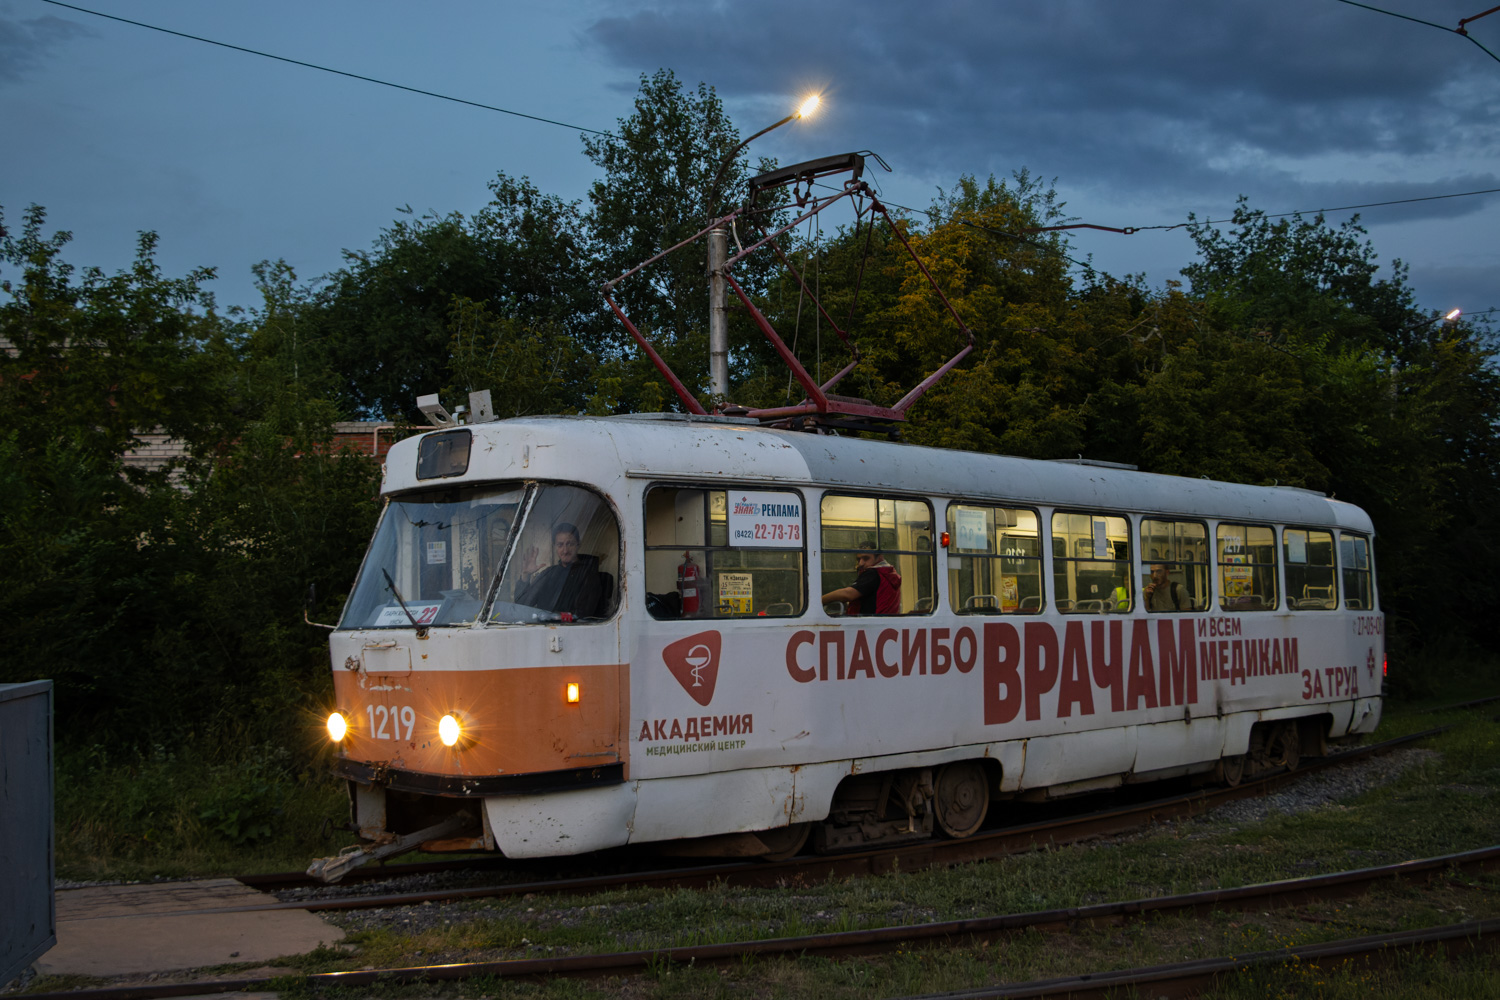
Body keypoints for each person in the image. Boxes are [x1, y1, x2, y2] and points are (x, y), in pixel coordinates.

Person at [516, 522, 604, 617]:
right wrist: (525, 576)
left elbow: (581, 616)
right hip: (543, 629)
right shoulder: (549, 573)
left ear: (578, 545)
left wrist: (552, 618)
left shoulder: (588, 575)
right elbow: (522, 606)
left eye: (570, 544)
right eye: (560, 545)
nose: (565, 550)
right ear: (555, 547)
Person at [821, 541, 902, 615]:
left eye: (866, 558)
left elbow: (848, 594)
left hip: (870, 624)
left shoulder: (873, 573)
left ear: (879, 557)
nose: (861, 563)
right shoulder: (888, 574)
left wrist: (820, 601)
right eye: (858, 559)